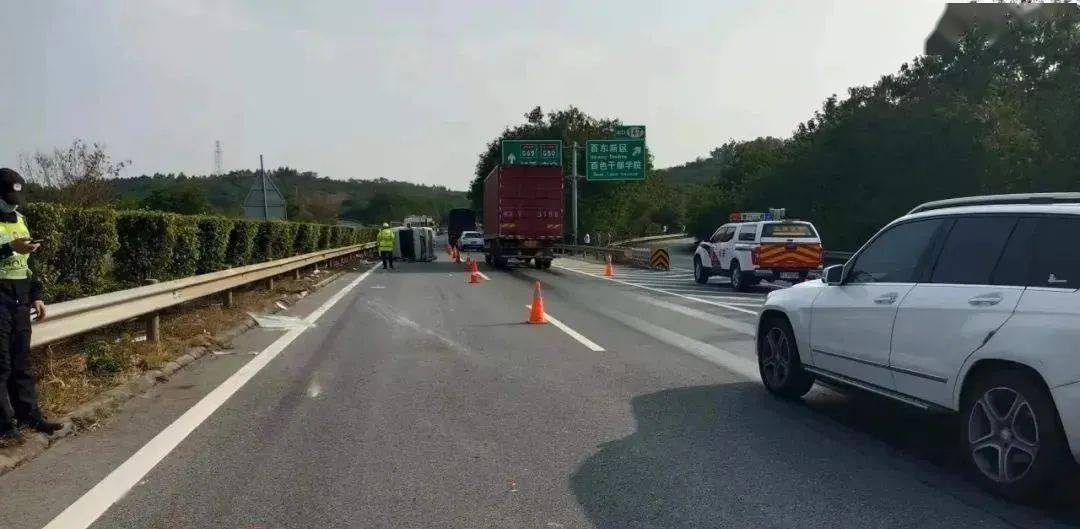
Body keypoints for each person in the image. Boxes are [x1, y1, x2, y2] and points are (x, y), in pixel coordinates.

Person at [0, 168, 61, 441]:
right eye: (7, 198)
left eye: (15, 198)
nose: (12, 203)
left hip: (20, 296)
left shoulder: (20, 218)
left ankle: (29, 416)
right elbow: (12, 251)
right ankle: (6, 425)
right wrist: (9, 248)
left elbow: (29, 264)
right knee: (1, 363)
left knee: (22, 362)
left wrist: (37, 294)